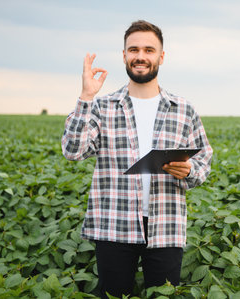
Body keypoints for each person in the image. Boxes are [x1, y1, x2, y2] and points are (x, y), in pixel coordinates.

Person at [61, 20, 212, 298]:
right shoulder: (102, 107)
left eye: (149, 50)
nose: (140, 56)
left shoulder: (183, 109)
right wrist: (86, 96)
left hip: (165, 225)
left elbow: (204, 160)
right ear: (124, 55)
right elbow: (73, 150)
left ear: (161, 57)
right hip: (113, 224)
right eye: (133, 49)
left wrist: (189, 169)